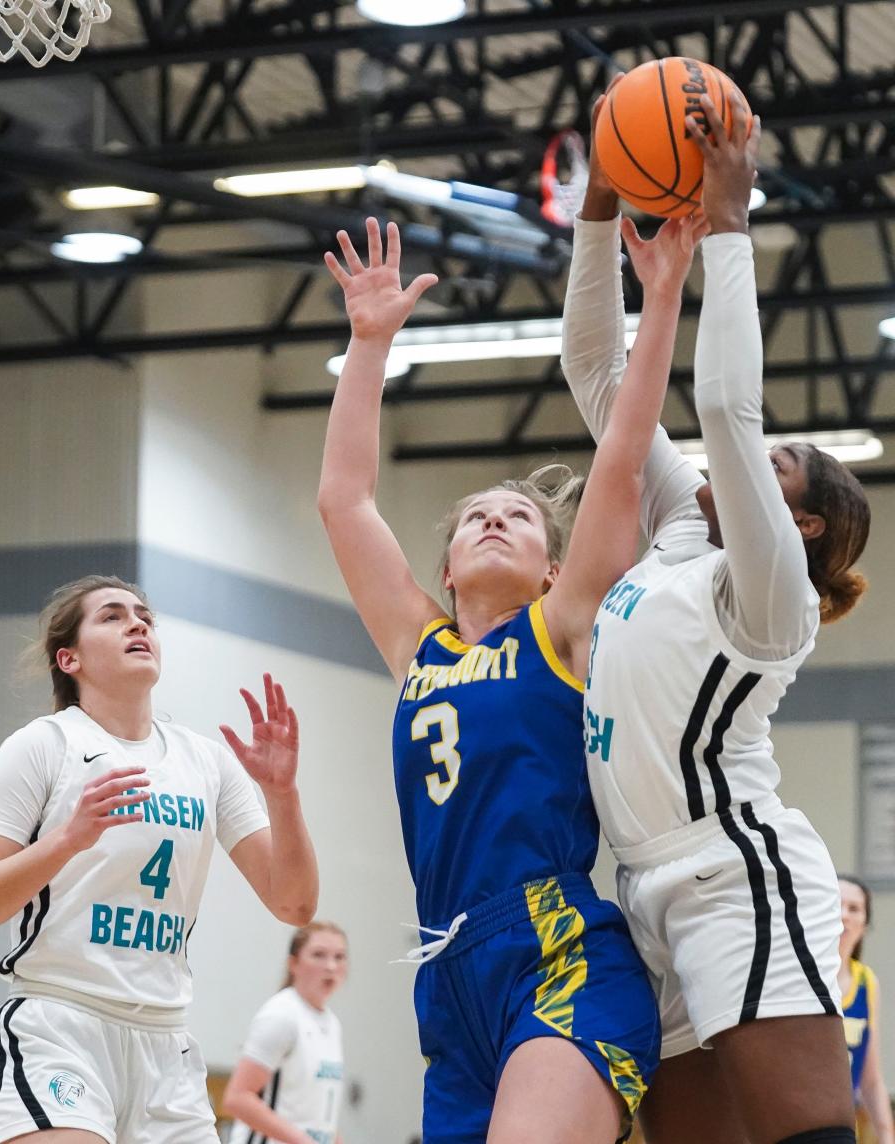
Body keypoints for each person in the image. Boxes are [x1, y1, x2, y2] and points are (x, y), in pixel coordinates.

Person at [317, 210, 709, 1143]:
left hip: (557, 947)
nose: (494, 521)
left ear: (549, 568)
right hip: (448, 972)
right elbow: (345, 498)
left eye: (520, 519)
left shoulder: (563, 627)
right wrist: (368, 344)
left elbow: (621, 456)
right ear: (444, 570)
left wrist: (658, 304)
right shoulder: (422, 646)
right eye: (473, 518)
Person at [562, 85, 872, 1144]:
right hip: (642, 885)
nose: (741, 461)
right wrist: (599, 210)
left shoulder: (771, 590)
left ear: (807, 526)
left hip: (734, 870)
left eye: (772, 467)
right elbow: (601, 376)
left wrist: (733, 229)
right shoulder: (678, 534)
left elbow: (727, 409)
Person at [0, 575, 318, 1144]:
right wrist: (66, 840)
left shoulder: (206, 762)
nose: (138, 624)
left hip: (167, 1044)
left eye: (143, 615)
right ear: (68, 658)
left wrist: (283, 796)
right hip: (61, 1027)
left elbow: (294, 903)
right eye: (113, 616)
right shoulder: (43, 747)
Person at [223, 921, 348, 1144]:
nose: (331, 966)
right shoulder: (281, 1014)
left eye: (339, 957)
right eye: (319, 955)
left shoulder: (332, 1023)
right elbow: (237, 1098)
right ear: (294, 963)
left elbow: (315, 1115)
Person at [837, 875, 895, 1144]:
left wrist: (886, 1135)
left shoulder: (867, 982)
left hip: (843, 1126)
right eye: (836, 904)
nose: (843, 915)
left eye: (854, 908)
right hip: (795, 1122)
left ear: (865, 924)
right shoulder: (797, 974)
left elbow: (870, 1079)